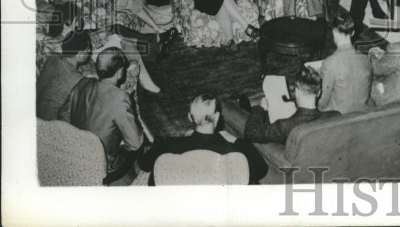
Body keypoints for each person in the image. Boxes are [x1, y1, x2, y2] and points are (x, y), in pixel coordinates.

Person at [58, 47, 147, 184]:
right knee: (142, 141)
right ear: (120, 72)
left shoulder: (83, 83)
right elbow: (136, 143)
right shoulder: (120, 98)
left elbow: (63, 115)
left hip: (75, 153)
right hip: (103, 166)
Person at [137, 93, 267, 185]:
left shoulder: (168, 146)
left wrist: (160, 142)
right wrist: (236, 140)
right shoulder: (233, 151)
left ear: (190, 117)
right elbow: (261, 169)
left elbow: (144, 164)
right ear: (216, 117)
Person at [240, 65, 335, 145]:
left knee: (247, 117)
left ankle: (246, 110)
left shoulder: (284, 126)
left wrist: (259, 108)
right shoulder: (333, 116)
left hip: (279, 154)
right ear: (319, 92)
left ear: (297, 91)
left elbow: (250, 133)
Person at [317, 13, 372, 115]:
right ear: (353, 33)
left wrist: (317, 105)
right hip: (361, 113)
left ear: (334, 32)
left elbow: (323, 101)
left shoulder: (329, 63)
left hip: (339, 117)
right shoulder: (366, 59)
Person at [37, 31, 93, 120]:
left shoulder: (52, 58)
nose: (90, 51)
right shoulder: (78, 80)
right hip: (52, 122)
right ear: (80, 54)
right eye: (88, 49)